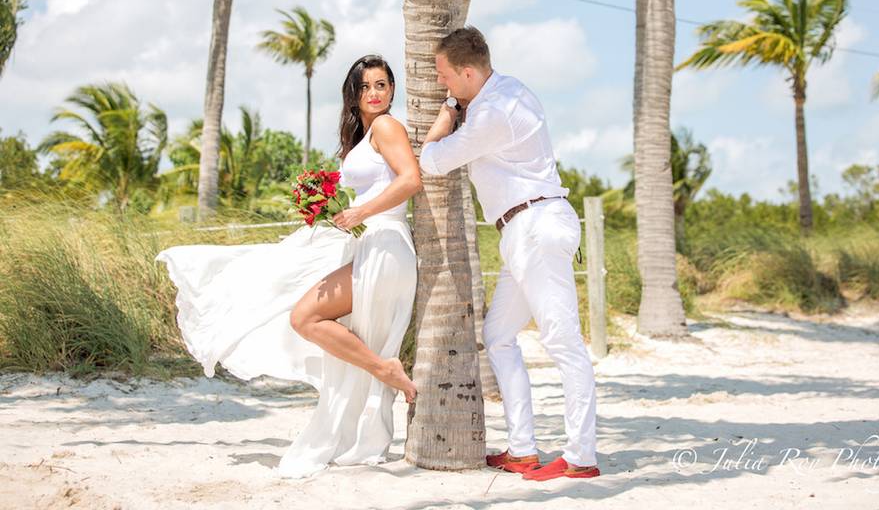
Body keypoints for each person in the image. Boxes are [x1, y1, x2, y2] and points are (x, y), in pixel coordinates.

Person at [156, 54, 420, 479]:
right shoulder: (366, 133)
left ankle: (385, 370)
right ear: (353, 95)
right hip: (370, 243)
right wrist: (330, 208)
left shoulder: (387, 126)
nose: (375, 93)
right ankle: (381, 374)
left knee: (305, 316)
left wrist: (360, 213)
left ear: (392, 90)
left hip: (386, 243)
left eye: (383, 85)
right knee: (310, 315)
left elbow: (411, 179)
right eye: (366, 86)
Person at [419, 27, 600, 481]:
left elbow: (432, 160)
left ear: (466, 72)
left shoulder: (492, 114)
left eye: (445, 77)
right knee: (498, 335)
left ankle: (581, 457)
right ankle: (522, 448)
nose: (443, 85)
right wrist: (461, 102)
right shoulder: (508, 91)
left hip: (536, 228)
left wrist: (449, 108)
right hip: (523, 231)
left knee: (564, 344)